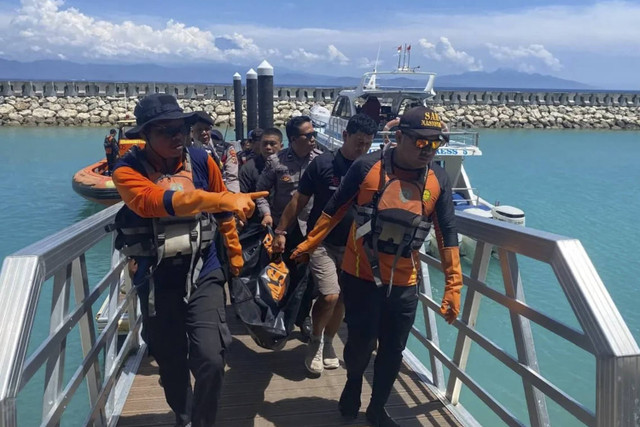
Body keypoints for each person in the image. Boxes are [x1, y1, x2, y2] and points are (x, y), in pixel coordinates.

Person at [291, 106, 463, 426]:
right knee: (360, 343)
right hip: (360, 275)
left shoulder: (438, 177)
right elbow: (333, 210)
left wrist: (454, 285)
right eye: (421, 143)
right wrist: (308, 245)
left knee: (393, 351)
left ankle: (377, 407)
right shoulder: (367, 167)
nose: (429, 150)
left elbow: (447, 234)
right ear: (399, 138)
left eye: (436, 144)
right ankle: (353, 383)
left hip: (404, 282)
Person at [112, 93, 267, 426]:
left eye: (180, 127)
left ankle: (203, 422)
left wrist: (235, 255)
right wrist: (223, 197)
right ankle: (184, 416)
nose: (176, 136)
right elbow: (160, 202)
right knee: (170, 362)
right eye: (165, 131)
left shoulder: (200, 159)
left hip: (204, 269)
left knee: (211, 356)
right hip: (156, 277)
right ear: (145, 134)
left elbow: (223, 212)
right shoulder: (127, 171)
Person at [273, 113, 377, 376]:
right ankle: (316, 341)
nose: (362, 149)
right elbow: (298, 200)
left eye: (367, 144)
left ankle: (329, 342)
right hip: (322, 241)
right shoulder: (323, 164)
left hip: (355, 245)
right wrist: (281, 230)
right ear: (345, 136)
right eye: (358, 142)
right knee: (329, 295)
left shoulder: (372, 170)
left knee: (342, 297)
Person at [255, 115, 322, 337]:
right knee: (278, 276)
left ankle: (302, 319)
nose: (313, 138)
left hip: (309, 230)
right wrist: (266, 215)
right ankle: (276, 317)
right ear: (294, 139)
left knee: (307, 278)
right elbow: (261, 193)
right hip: (281, 230)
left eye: (314, 134)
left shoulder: (321, 161)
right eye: (308, 135)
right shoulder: (276, 162)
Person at [190, 112, 240, 193]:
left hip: (222, 193)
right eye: (199, 130)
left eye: (207, 129)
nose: (204, 133)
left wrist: (233, 197)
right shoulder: (186, 151)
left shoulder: (225, 149)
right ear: (192, 132)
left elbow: (232, 177)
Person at [239, 127, 283, 194]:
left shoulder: (289, 165)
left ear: (281, 146)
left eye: (272, 144)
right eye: (265, 144)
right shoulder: (248, 168)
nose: (268, 147)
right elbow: (242, 194)